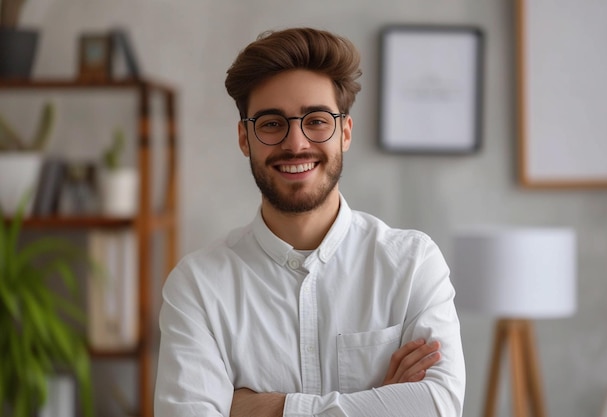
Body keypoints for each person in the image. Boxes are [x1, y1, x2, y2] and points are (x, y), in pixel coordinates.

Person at [154, 27, 465, 417]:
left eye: (316, 120)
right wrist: (380, 401)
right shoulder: (197, 286)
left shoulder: (413, 264)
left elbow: (438, 406)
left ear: (345, 133)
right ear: (244, 138)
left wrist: (264, 408)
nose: (296, 143)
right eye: (271, 123)